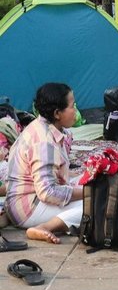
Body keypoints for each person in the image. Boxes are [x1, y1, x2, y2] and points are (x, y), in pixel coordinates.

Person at [5, 82, 84, 243]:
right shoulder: (44, 141)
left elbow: (56, 174)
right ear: (57, 113)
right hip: (27, 208)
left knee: (93, 185)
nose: (76, 110)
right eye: (72, 106)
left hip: (30, 200)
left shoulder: (46, 127)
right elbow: (47, 192)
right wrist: (88, 192)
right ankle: (45, 227)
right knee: (96, 204)